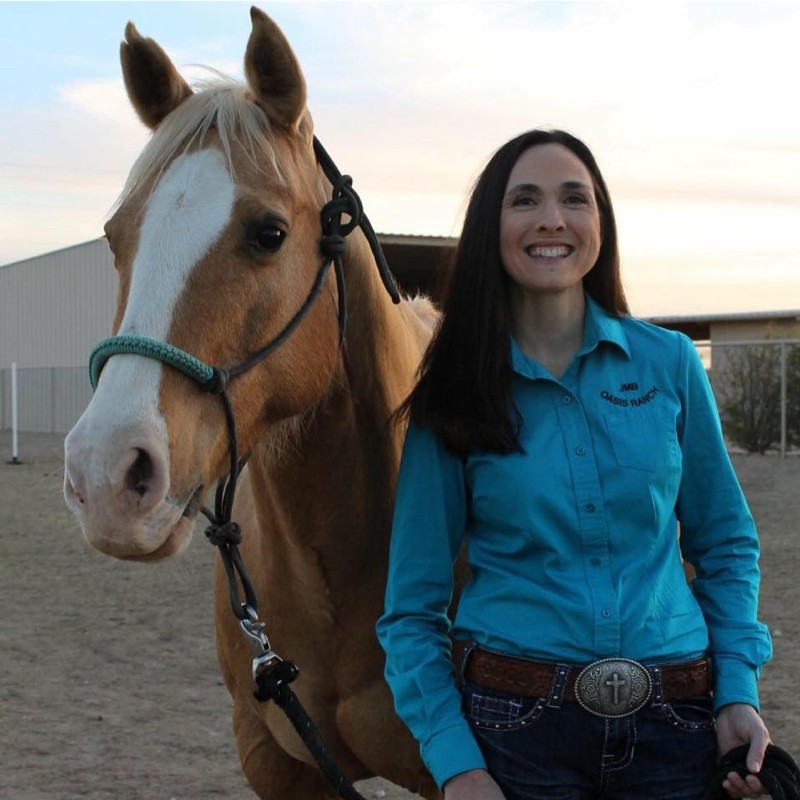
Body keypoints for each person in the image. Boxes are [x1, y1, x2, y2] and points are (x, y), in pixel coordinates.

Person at [376, 128, 773, 800]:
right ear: (491, 228)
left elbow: (728, 546)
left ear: (600, 222)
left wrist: (737, 691)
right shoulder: (452, 392)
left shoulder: (671, 365)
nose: (552, 220)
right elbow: (411, 611)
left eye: (574, 199)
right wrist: (456, 764)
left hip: (679, 726)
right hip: (516, 735)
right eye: (524, 201)